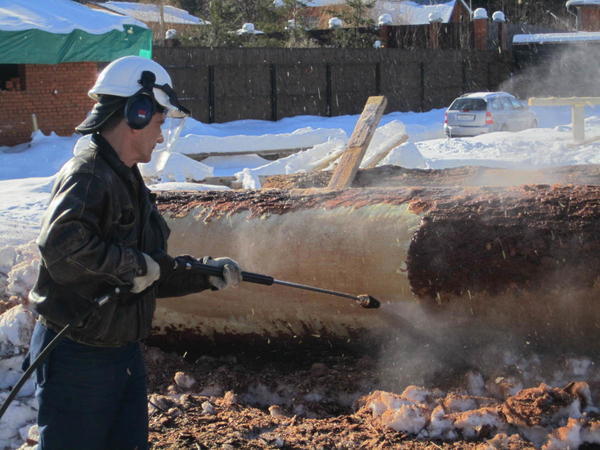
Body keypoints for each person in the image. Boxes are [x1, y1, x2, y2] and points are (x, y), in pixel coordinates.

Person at [25, 55, 242, 450]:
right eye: (159, 123)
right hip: (78, 354)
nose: (160, 136)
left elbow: (149, 269)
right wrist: (133, 264)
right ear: (137, 114)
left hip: (120, 351)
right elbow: (61, 248)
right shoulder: (89, 174)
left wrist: (204, 274)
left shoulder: (125, 176)